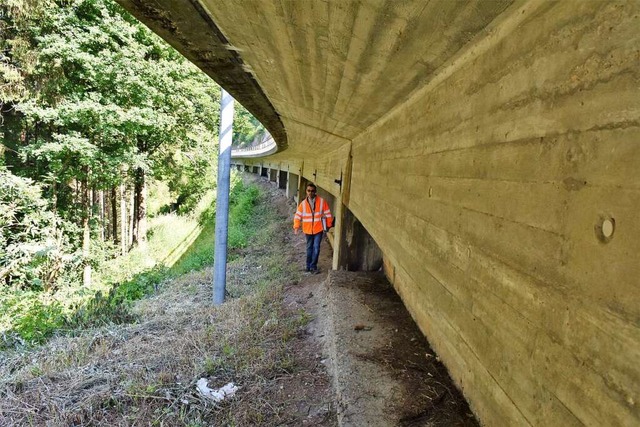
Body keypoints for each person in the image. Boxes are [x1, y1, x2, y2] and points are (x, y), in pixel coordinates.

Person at [293, 183, 333, 274]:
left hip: (318, 229)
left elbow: (328, 214)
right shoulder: (303, 204)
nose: (310, 193)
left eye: (312, 191)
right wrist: (296, 227)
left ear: (315, 192)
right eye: (308, 191)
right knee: (309, 248)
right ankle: (308, 266)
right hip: (307, 230)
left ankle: (313, 266)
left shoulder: (322, 201)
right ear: (306, 192)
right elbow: (297, 216)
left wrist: (328, 224)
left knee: (316, 248)